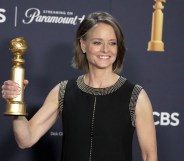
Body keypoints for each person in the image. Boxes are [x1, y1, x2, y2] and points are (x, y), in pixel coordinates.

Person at [1, 11, 157, 161]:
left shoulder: (135, 96)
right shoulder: (63, 91)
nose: (105, 50)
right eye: (97, 42)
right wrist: (16, 104)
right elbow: (26, 140)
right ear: (83, 45)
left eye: (112, 43)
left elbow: (149, 156)